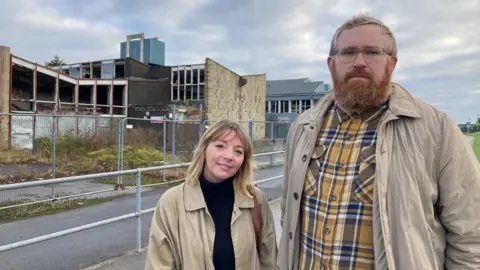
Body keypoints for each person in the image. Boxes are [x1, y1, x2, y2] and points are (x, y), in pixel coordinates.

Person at [278, 13, 480, 270]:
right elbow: (289, 211)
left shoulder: (436, 129)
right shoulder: (302, 128)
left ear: (392, 63)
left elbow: (471, 235)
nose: (359, 62)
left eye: (372, 52)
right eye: (348, 52)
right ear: (331, 63)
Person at [145, 120, 278, 270]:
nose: (229, 156)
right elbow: (158, 264)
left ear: (243, 161)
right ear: (204, 149)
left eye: (238, 151)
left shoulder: (255, 200)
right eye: (220, 146)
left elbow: (269, 261)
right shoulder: (172, 202)